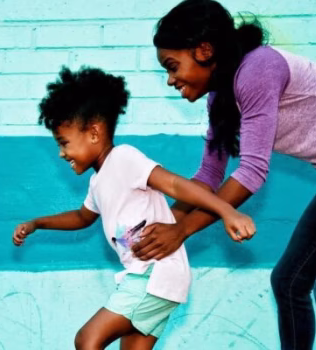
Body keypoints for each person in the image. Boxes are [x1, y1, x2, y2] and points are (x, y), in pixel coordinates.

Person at [131, 1, 316, 348]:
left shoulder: (259, 67)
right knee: (289, 282)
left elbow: (252, 172)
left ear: (204, 50)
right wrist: (164, 222)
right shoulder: (222, 99)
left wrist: (181, 230)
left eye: (172, 66)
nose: (170, 80)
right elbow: (208, 177)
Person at [13, 66, 256, 350]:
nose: (61, 153)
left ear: (93, 133)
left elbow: (176, 186)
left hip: (153, 275)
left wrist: (227, 211)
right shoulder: (97, 182)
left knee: (87, 339)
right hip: (152, 278)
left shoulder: (123, 158)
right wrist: (37, 223)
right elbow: (82, 217)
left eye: (64, 143)